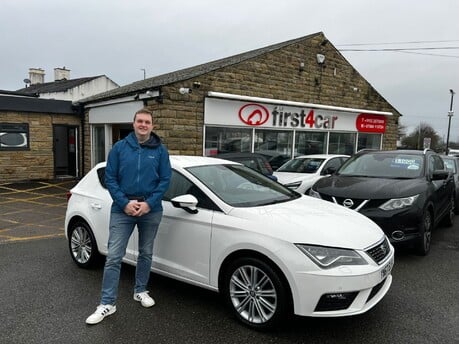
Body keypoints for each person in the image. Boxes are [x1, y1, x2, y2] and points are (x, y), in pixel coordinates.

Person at [86, 108, 171, 325]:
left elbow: (165, 180)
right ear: (133, 124)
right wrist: (125, 203)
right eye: (140, 121)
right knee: (114, 256)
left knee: (146, 253)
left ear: (152, 126)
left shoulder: (160, 150)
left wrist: (149, 204)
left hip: (150, 210)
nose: (143, 125)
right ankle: (107, 303)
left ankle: (140, 290)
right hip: (122, 209)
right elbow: (111, 178)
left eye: (147, 122)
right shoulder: (119, 148)